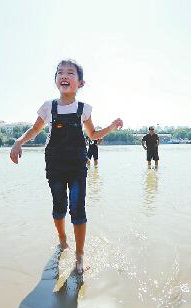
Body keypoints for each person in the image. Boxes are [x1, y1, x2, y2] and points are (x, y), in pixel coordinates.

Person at [9, 59, 123, 274]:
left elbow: (93, 135)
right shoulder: (48, 107)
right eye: (60, 72)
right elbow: (34, 130)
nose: (64, 75)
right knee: (59, 205)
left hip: (78, 163)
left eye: (70, 73)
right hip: (55, 163)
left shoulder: (84, 109)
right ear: (56, 80)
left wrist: (111, 126)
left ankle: (80, 254)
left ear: (80, 83)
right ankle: (62, 239)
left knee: (78, 208)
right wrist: (18, 142)